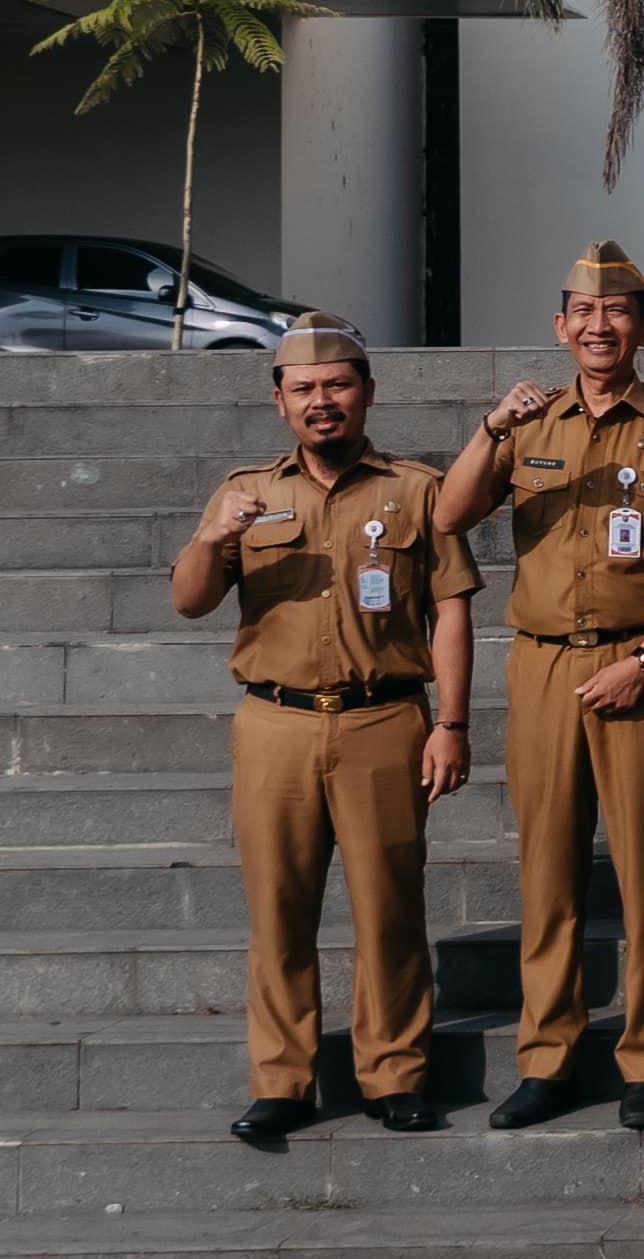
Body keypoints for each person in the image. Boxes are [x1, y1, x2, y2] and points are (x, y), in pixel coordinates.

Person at [435, 242, 644, 1133]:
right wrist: (489, 430)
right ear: (561, 327)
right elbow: (447, 515)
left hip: (641, 661)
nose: (601, 328)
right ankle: (548, 1057)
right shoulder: (526, 424)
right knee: (548, 870)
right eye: (584, 315)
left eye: (618, 313)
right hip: (545, 663)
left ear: (643, 327)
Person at [181, 318, 478, 1143]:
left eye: (338, 385)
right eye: (305, 390)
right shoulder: (247, 492)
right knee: (278, 910)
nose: (323, 402)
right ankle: (283, 1081)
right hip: (274, 723)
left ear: (368, 392)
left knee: (390, 907)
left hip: (384, 718)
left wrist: (450, 722)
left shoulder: (418, 490)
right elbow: (190, 598)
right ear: (279, 403)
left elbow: (451, 610)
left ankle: (394, 1075)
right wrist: (213, 536)